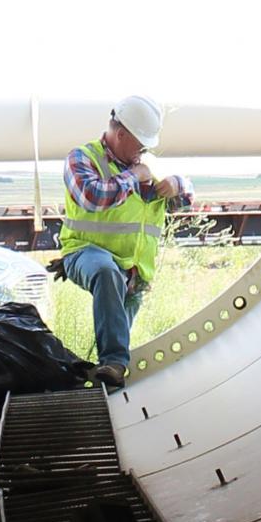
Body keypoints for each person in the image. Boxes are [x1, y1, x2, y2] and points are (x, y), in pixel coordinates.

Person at [57, 95, 190, 388]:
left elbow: (183, 199)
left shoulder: (146, 166)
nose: (144, 149)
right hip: (85, 252)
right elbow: (93, 197)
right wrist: (133, 177)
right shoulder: (81, 158)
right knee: (105, 272)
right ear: (121, 134)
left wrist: (178, 184)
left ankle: (102, 379)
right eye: (140, 142)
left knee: (118, 328)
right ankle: (114, 363)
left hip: (132, 273)